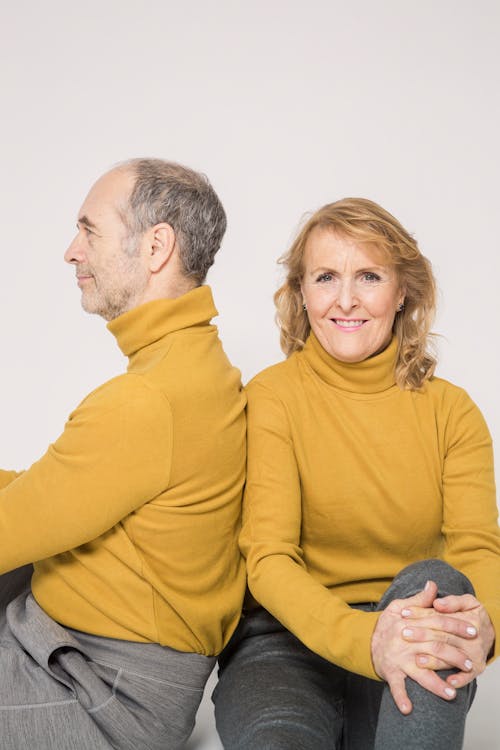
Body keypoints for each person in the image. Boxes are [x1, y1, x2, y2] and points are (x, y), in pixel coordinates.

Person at [213, 197, 499, 749]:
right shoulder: (272, 398)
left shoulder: (453, 412)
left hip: (413, 633)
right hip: (285, 643)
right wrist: (369, 639)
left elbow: (478, 551)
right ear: (302, 294)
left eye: (368, 275)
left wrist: (488, 627)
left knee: (433, 582)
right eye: (325, 277)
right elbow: (268, 560)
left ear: (402, 292)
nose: (345, 299)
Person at [0, 158, 246, 749]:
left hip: (94, 690)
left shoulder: (144, 399)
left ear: (157, 245)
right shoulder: (197, 369)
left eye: (89, 230)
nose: (71, 251)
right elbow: (64, 491)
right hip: (87, 658)